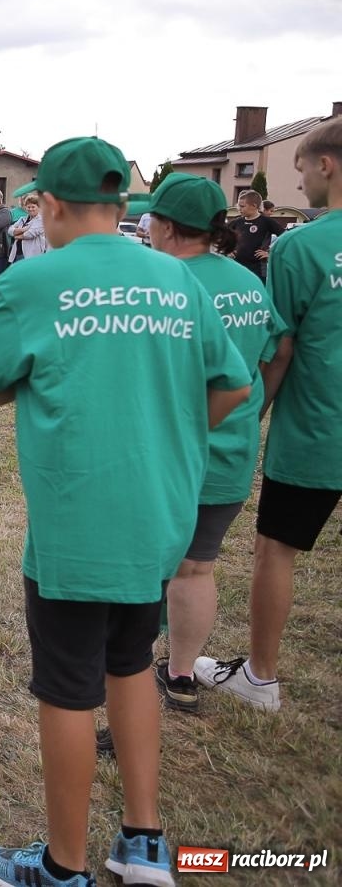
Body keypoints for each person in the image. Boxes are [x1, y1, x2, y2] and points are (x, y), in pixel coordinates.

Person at [0, 137, 250, 887]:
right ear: (123, 207)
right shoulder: (180, 281)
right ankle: (144, 841)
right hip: (159, 517)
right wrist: (167, 423)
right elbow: (233, 387)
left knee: (66, 688)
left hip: (76, 525)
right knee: (130, 666)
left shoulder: (36, 280)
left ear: (49, 206)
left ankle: (62, 867)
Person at [195, 120, 342, 712]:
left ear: (326, 166)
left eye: (302, 168)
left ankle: (260, 676)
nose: (300, 180)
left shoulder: (303, 245)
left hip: (318, 431)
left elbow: (279, 348)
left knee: (275, 550)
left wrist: (247, 414)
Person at [135, 173, 287, 714]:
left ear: (168, 226)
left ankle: (125, 675)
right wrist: (255, 410)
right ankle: (180, 676)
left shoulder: (162, 284)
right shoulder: (248, 281)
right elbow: (275, 351)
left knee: (146, 567)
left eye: (151, 218)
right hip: (231, 448)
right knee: (197, 566)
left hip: (170, 451)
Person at [229, 189, 271, 280]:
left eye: (242, 206)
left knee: (257, 292)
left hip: (258, 267)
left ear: (254, 206)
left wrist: (270, 253)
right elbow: (219, 235)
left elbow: (285, 237)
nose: (239, 209)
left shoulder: (266, 222)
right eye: (238, 206)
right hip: (237, 265)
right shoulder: (237, 222)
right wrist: (227, 250)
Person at [9, 194, 47, 262]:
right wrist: (24, 229)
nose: (30, 209)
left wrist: (16, 236)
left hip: (32, 253)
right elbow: (10, 230)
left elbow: (30, 234)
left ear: (38, 207)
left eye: (33, 207)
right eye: (28, 207)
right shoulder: (22, 219)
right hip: (18, 252)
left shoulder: (41, 220)